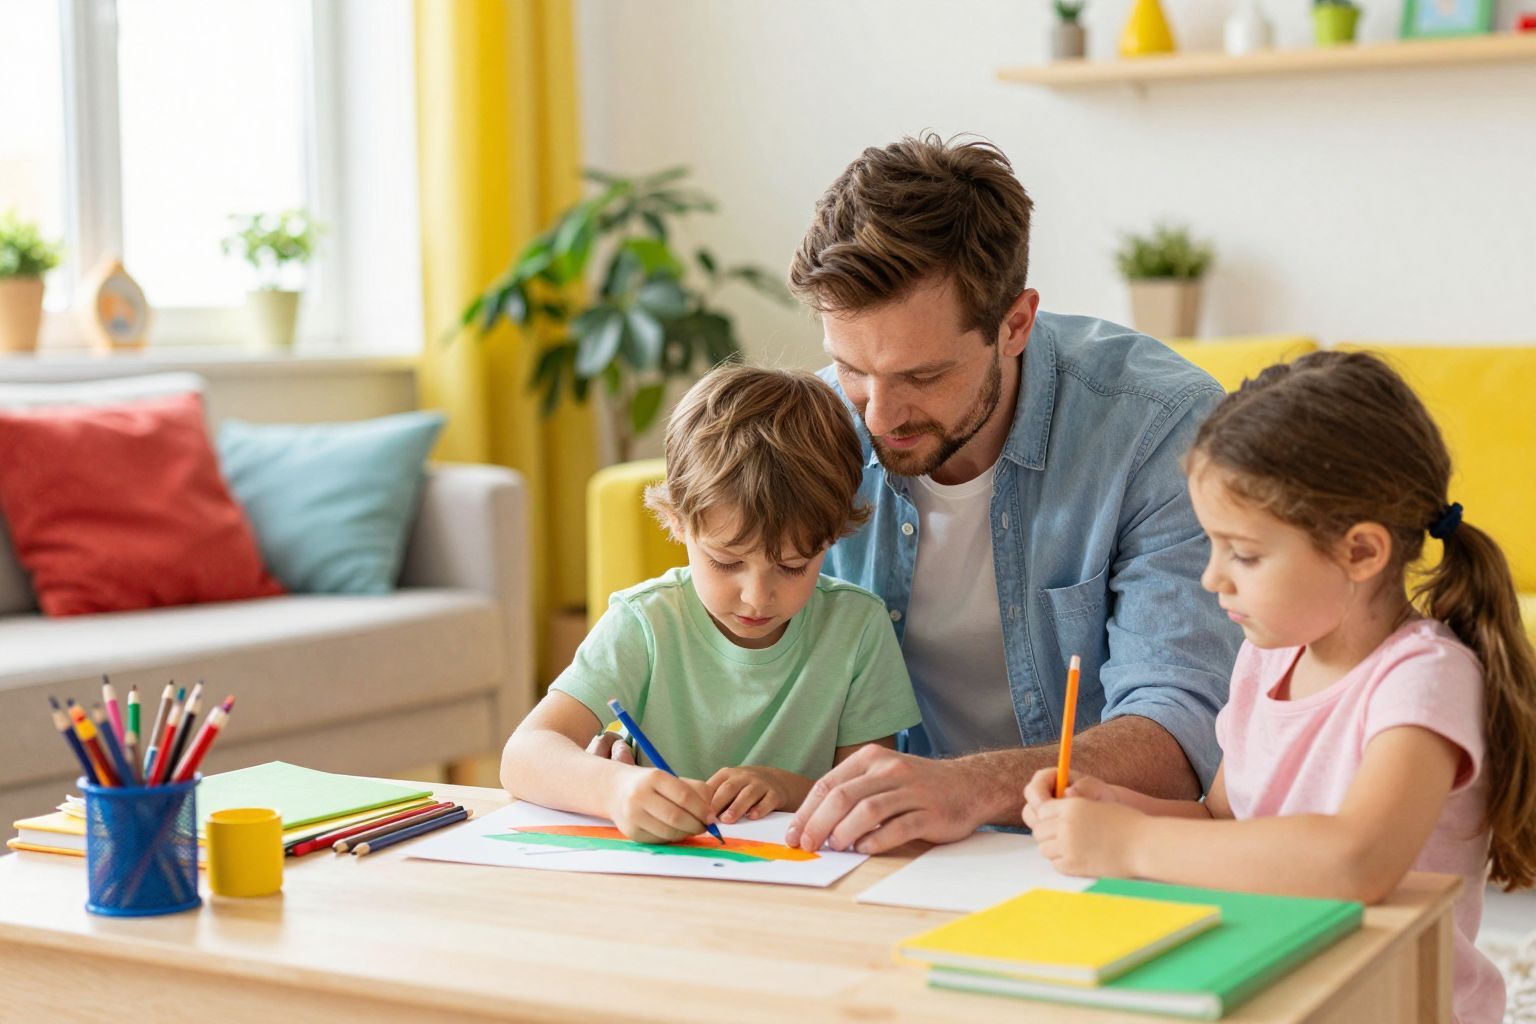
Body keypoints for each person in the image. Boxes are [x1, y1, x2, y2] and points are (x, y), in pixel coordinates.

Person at [1023, 351, 1536, 1024]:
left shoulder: (1424, 679)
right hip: (1276, 992)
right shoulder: (1267, 660)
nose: (1213, 578)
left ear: (1361, 552)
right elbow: (1224, 823)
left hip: (1397, 1003)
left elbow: (1358, 862)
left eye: (1245, 554)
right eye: (1211, 546)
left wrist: (1131, 844)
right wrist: (1115, 808)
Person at [784, 133, 1243, 855]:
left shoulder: (1158, 427)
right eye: (851, 368)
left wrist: (967, 788)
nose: (876, 416)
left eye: (922, 376)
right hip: (875, 851)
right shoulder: (813, 428)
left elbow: (1183, 731)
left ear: (1016, 324)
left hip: (1091, 851)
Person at [501, 364, 921, 843]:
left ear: (832, 537)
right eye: (726, 562)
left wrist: (783, 789)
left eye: (792, 566)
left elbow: (866, 797)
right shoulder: (646, 622)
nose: (757, 596)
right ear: (679, 523)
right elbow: (524, 754)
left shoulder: (857, 628)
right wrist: (615, 789)